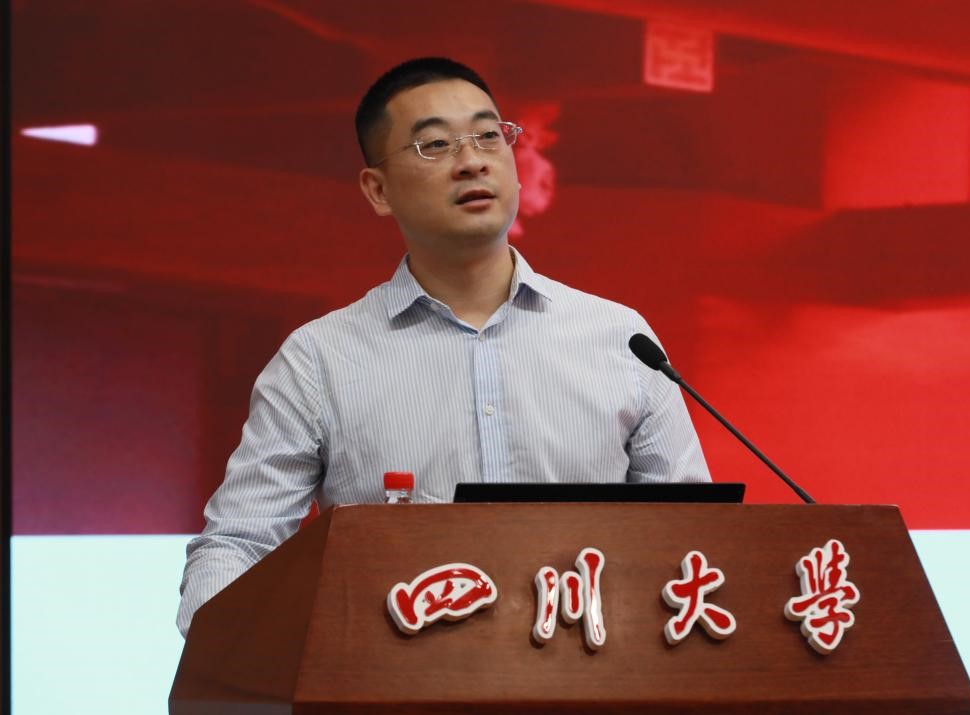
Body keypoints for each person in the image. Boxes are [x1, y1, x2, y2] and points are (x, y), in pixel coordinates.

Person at [177, 57, 709, 637]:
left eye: (488, 136)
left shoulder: (619, 338)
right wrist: (223, 654)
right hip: (394, 673)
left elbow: (695, 538)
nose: (472, 161)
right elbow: (240, 542)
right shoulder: (319, 360)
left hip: (592, 667)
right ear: (378, 190)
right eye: (434, 145)